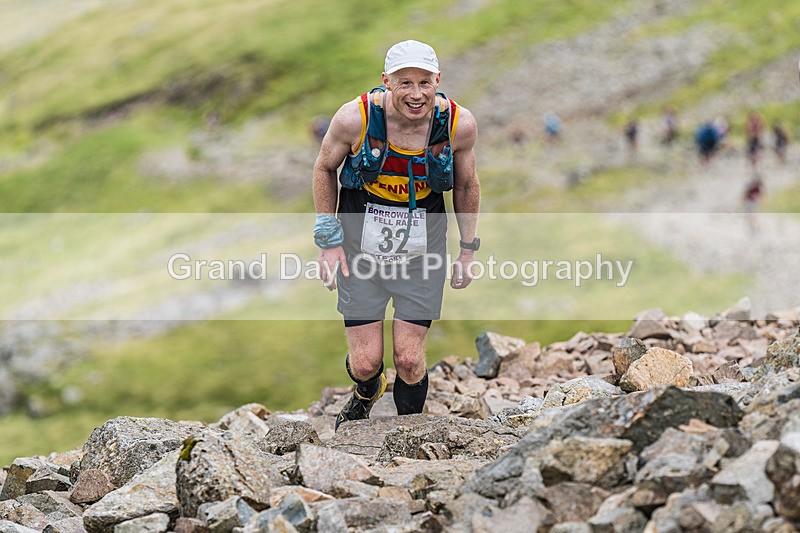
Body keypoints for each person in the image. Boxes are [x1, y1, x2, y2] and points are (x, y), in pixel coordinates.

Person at [312, 40, 480, 430]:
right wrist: (328, 241)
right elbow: (324, 168)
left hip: (423, 251)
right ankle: (367, 390)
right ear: (386, 81)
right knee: (365, 363)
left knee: (408, 358)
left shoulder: (459, 125)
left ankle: (408, 436)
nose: (416, 94)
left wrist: (467, 251)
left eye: (425, 82)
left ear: (438, 80)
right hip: (359, 249)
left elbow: (467, 184)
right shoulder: (354, 119)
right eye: (405, 83)